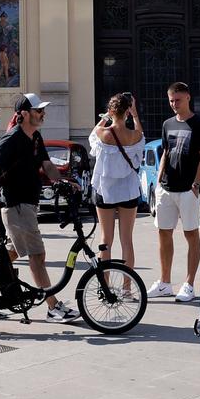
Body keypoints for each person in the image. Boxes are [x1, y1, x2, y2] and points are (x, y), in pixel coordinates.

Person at [0, 94, 76, 321]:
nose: (43, 114)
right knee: (37, 255)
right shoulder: (13, 139)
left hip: (28, 205)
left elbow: (47, 164)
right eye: (38, 110)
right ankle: (53, 306)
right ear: (24, 114)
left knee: (11, 254)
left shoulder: (34, 137)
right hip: (16, 205)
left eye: (43, 110)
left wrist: (60, 181)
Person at [150, 81, 200, 304]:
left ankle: (188, 284)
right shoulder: (167, 123)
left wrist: (196, 185)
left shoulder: (198, 124)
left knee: (191, 234)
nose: (174, 104)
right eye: (170, 100)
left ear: (188, 97)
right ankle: (165, 283)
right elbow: (166, 152)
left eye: (177, 100)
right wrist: (158, 181)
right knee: (163, 233)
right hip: (166, 188)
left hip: (188, 189)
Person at [89, 93, 145, 273]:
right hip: (128, 190)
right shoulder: (135, 135)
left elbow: (93, 136)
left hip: (105, 191)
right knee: (127, 240)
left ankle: (104, 285)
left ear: (111, 111)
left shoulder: (102, 133)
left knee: (105, 239)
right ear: (127, 112)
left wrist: (105, 117)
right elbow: (140, 137)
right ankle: (128, 287)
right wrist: (135, 115)